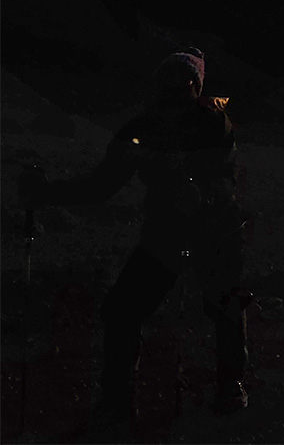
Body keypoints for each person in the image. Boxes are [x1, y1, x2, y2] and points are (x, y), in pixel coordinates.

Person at [18, 47, 249, 423]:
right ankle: (117, 403)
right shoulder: (142, 128)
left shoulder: (213, 122)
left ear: (197, 85)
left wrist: (193, 188)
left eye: (184, 80)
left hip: (215, 231)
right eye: (168, 79)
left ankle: (230, 385)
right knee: (122, 311)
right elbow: (101, 186)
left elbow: (219, 179)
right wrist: (46, 194)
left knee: (225, 306)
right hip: (168, 232)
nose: (175, 87)